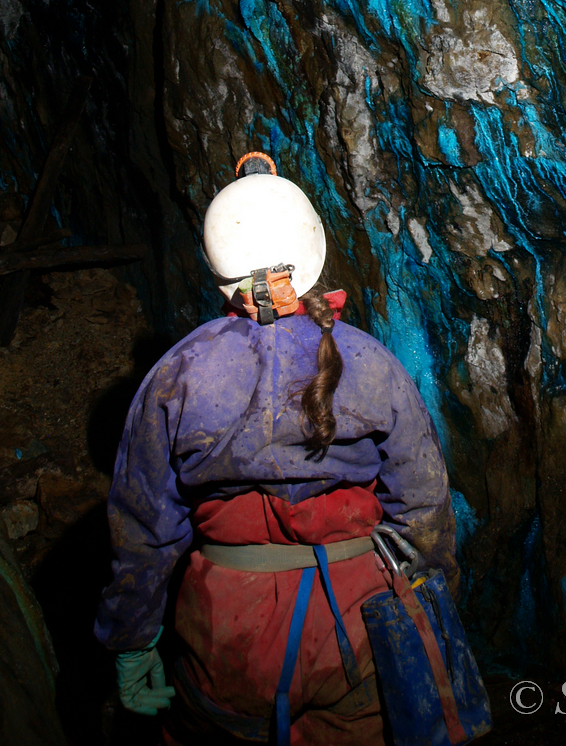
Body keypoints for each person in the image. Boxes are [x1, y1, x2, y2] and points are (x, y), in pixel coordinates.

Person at [95, 152, 458, 745]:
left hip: (226, 630)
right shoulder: (371, 363)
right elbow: (423, 506)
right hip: (356, 620)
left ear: (222, 275)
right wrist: (434, 605)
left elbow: (143, 525)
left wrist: (131, 639)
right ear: (312, 256)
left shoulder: (178, 374)